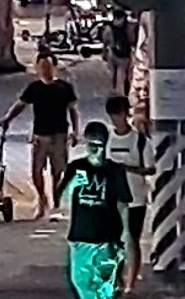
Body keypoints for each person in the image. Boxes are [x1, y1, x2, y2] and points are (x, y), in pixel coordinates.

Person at [55, 121, 133, 299]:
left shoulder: (114, 171)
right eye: (91, 145)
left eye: (99, 145)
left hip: (106, 239)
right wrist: (73, 185)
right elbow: (61, 199)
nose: (96, 150)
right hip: (80, 237)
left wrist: (125, 236)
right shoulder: (77, 167)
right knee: (80, 281)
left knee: (104, 286)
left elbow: (123, 205)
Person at [2, 52, 80, 219]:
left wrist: (76, 131)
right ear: (37, 68)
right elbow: (20, 105)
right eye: (42, 66)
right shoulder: (34, 88)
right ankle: (42, 199)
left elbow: (73, 110)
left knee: (58, 171)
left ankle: (56, 201)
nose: (45, 69)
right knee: (36, 171)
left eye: (48, 66)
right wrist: (7, 119)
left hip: (60, 134)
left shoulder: (64, 88)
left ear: (54, 67)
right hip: (40, 135)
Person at [105, 96, 153, 295]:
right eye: (112, 115)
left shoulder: (140, 141)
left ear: (126, 114)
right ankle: (117, 279)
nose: (116, 119)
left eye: (118, 114)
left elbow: (150, 169)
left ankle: (130, 284)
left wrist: (126, 168)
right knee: (112, 240)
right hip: (112, 197)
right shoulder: (107, 139)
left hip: (135, 198)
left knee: (132, 239)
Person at [102, 11, 135, 95]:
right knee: (121, 76)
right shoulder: (127, 27)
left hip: (112, 53)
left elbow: (105, 41)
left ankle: (112, 92)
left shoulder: (109, 27)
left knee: (112, 75)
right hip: (124, 55)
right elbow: (132, 40)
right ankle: (120, 94)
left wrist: (104, 52)